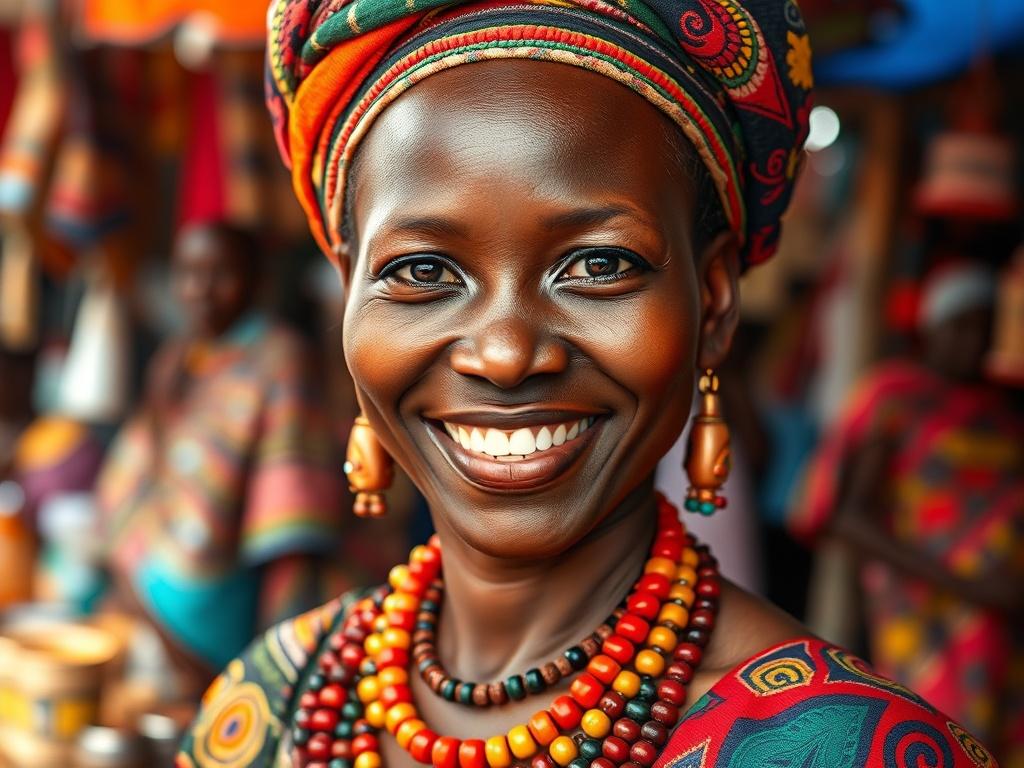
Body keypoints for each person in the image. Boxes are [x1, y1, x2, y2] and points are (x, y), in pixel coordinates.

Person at [178, 1, 995, 766]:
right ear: (348, 290)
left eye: (599, 265)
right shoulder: (269, 704)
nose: (503, 354)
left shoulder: (845, 748)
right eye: (422, 270)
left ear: (712, 305)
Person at [96, 221, 343, 695]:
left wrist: (277, 653)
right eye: (188, 273)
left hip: (219, 605)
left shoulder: (280, 358)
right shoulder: (178, 356)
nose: (200, 290)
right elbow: (139, 470)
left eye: (221, 273)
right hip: (147, 591)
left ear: (257, 281)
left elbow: (290, 508)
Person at [796, 262, 1024, 765]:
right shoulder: (897, 395)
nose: (973, 341)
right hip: (921, 607)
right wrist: (968, 587)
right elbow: (848, 515)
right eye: (961, 324)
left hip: (1000, 613)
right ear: (930, 324)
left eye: (987, 327)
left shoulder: (1001, 413)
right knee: (931, 736)